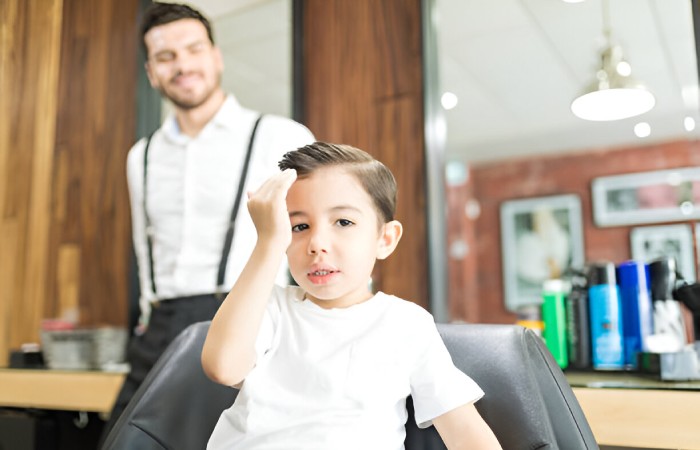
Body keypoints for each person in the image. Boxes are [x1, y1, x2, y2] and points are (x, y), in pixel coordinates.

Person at [101, 2, 314, 442]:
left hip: (247, 321)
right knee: (119, 441)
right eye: (166, 57)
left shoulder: (280, 136)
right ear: (151, 71)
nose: (182, 65)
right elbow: (147, 249)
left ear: (215, 57)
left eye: (193, 49)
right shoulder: (139, 156)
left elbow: (320, 232)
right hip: (160, 327)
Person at [202, 142, 502, 449]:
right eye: (299, 226)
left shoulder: (405, 324)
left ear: (385, 238)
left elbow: (465, 432)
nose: (317, 243)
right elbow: (222, 367)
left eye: (343, 222)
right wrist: (268, 242)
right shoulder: (270, 306)